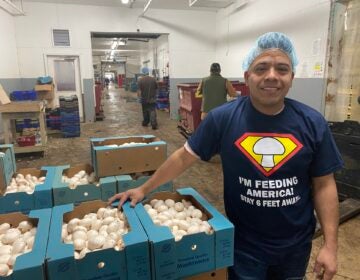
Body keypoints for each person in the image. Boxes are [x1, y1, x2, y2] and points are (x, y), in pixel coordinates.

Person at [109, 32, 343, 280]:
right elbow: (184, 157)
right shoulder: (223, 118)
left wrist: (330, 246)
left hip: (296, 246)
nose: (272, 76)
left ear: (292, 78)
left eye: (282, 69)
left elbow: (324, 184)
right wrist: (144, 189)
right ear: (247, 76)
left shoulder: (311, 122)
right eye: (261, 68)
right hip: (243, 244)